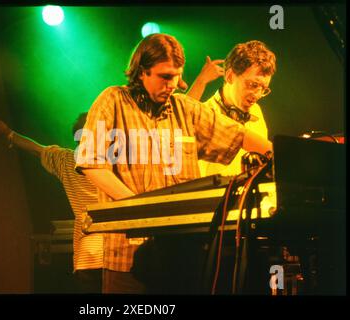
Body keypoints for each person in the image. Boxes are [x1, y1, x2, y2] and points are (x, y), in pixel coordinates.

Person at [75, 33, 273, 294]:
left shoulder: (186, 109)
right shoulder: (112, 101)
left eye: (177, 76)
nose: (173, 84)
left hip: (180, 256)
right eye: (165, 76)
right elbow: (91, 163)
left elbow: (237, 134)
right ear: (141, 71)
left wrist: (276, 152)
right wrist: (142, 209)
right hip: (128, 256)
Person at [0, 114, 103, 294]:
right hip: (114, 256)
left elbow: (36, 149)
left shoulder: (66, 160)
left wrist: (7, 133)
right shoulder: (115, 164)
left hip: (86, 256)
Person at [187, 40, 276, 177]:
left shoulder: (256, 111)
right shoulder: (204, 114)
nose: (257, 95)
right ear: (229, 76)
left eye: (263, 89)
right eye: (252, 85)